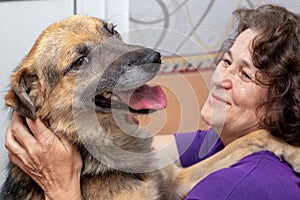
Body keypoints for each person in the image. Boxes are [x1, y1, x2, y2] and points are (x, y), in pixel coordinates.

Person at [4, 4, 300, 200]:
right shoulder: (218, 139)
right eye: (81, 60)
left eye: (245, 75)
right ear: (36, 97)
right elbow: (176, 179)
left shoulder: (234, 188)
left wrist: (63, 189)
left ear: (284, 101)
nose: (223, 77)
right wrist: (259, 140)